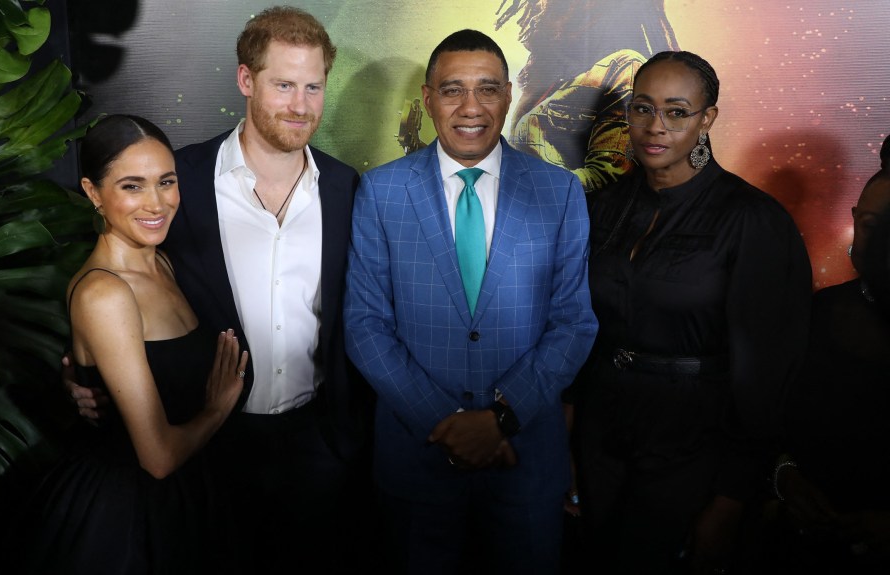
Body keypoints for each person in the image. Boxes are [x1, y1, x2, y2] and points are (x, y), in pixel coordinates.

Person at [67, 7, 370, 574]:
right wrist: (83, 370)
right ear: (245, 80)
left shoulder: (349, 187)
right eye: (283, 84)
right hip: (213, 450)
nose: (300, 106)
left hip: (319, 444)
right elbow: (118, 286)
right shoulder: (175, 182)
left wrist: (341, 439)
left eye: (313, 86)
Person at [344, 29, 598, 574]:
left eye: (486, 89)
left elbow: (574, 322)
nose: (470, 107)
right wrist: (451, 423)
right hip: (418, 461)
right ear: (429, 98)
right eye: (453, 89)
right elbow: (365, 325)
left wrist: (500, 419)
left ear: (507, 96)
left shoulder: (559, 191)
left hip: (525, 463)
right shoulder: (381, 191)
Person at [571, 51, 812, 574]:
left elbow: (767, 373)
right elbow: (579, 329)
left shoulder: (752, 221)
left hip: (693, 446)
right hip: (600, 435)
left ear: (707, 118)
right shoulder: (602, 208)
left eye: (677, 112)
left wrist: (731, 497)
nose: (655, 126)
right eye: (642, 108)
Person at [16, 114, 248, 575]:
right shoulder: (104, 293)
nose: (157, 202)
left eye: (166, 181)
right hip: (128, 521)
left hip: (191, 498)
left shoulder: (162, 262)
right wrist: (218, 409)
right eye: (132, 186)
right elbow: (158, 458)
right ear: (92, 193)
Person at [772, 170, 890, 573]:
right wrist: (784, 475)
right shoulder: (817, 312)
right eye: (873, 225)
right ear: (855, 218)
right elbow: (774, 415)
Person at [495, 0, 678, 192]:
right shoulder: (548, 82)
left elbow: (608, 175)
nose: (535, 18)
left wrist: (531, 186)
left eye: (555, 8)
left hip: (558, 211)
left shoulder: (624, 67)